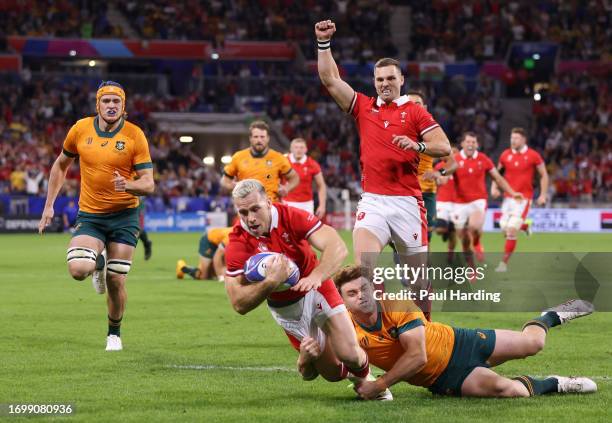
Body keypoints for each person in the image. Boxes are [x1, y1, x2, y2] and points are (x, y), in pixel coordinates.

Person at [224, 179, 392, 400]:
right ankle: (305, 361)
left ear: (268, 202)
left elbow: (336, 246)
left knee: (349, 354)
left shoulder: (290, 216)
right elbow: (238, 304)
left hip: (317, 287)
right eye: (243, 212)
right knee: (332, 374)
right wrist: (270, 282)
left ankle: (367, 380)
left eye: (255, 209)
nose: (251, 218)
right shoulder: (237, 242)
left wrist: (317, 276)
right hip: (287, 310)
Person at [332, 265, 597, 399]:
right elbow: (335, 364)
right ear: (342, 300)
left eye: (364, 289)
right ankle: (557, 384)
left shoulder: (397, 305)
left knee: (533, 344)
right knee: (508, 390)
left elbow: (418, 356)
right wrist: (307, 359)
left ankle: (550, 316)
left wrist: (379, 385)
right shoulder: (347, 330)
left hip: (461, 341)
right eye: (352, 293)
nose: (361, 297)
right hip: (446, 377)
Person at [315, 20, 450, 267]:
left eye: (390, 78)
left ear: (401, 80)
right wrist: (323, 43)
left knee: (416, 281)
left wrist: (417, 145)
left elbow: (444, 146)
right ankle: (369, 306)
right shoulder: (364, 107)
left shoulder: (416, 112)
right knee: (362, 269)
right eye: (379, 80)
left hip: (407, 202)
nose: (384, 84)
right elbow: (331, 80)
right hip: (373, 200)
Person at [38, 81, 154, 352]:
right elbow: (60, 165)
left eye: (116, 101)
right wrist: (48, 206)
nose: (111, 106)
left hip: (125, 215)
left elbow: (149, 184)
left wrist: (129, 185)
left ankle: (114, 333)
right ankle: (97, 262)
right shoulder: (80, 129)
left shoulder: (135, 135)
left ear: (123, 106)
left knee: (116, 280)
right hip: (91, 214)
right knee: (78, 270)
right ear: (97, 105)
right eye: (106, 101)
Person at [451, 132, 521, 267]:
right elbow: (444, 173)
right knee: (464, 239)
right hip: (459, 203)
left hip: (478, 201)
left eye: (473, 142)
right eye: (468, 142)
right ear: (462, 144)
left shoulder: (483, 159)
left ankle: (476, 242)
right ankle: (472, 267)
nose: (470, 145)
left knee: (473, 227)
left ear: (477, 145)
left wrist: (512, 192)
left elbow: (498, 178)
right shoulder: (454, 159)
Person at [492, 128, 549, 272]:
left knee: (511, 231)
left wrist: (543, 195)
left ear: (524, 140)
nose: (513, 141)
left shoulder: (533, 155)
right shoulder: (505, 155)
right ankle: (525, 226)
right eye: (512, 138)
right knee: (504, 227)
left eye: (516, 138)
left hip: (524, 199)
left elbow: (544, 175)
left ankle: (503, 264)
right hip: (508, 198)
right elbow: (497, 174)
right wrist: (494, 187)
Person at [408, 90, 457, 246]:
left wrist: (438, 173)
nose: (413, 108)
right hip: (402, 191)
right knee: (402, 235)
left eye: (417, 104)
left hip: (426, 192)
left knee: (425, 238)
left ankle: (421, 268)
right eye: (409, 105)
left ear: (425, 108)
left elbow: (453, 163)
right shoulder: (397, 129)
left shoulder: (432, 132)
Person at [221, 120, 300, 203]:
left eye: (262, 137)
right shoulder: (238, 157)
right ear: (250, 138)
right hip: (247, 206)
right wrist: (233, 186)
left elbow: (295, 178)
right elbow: (225, 180)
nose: (259, 140)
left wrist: (286, 188)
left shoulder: (278, 158)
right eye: (256, 137)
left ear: (268, 138)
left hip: (271, 205)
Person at [284, 138, 327, 218]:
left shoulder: (312, 164)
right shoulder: (283, 161)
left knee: (306, 230)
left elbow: (321, 185)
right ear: (291, 149)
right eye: (296, 147)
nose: (299, 150)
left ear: (306, 149)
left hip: (306, 204)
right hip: (286, 203)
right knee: (287, 230)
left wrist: (322, 206)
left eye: (301, 147)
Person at [137, 196, 153, 260]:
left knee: (139, 229)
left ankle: (147, 244)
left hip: (136, 205)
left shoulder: (140, 201)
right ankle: (147, 243)